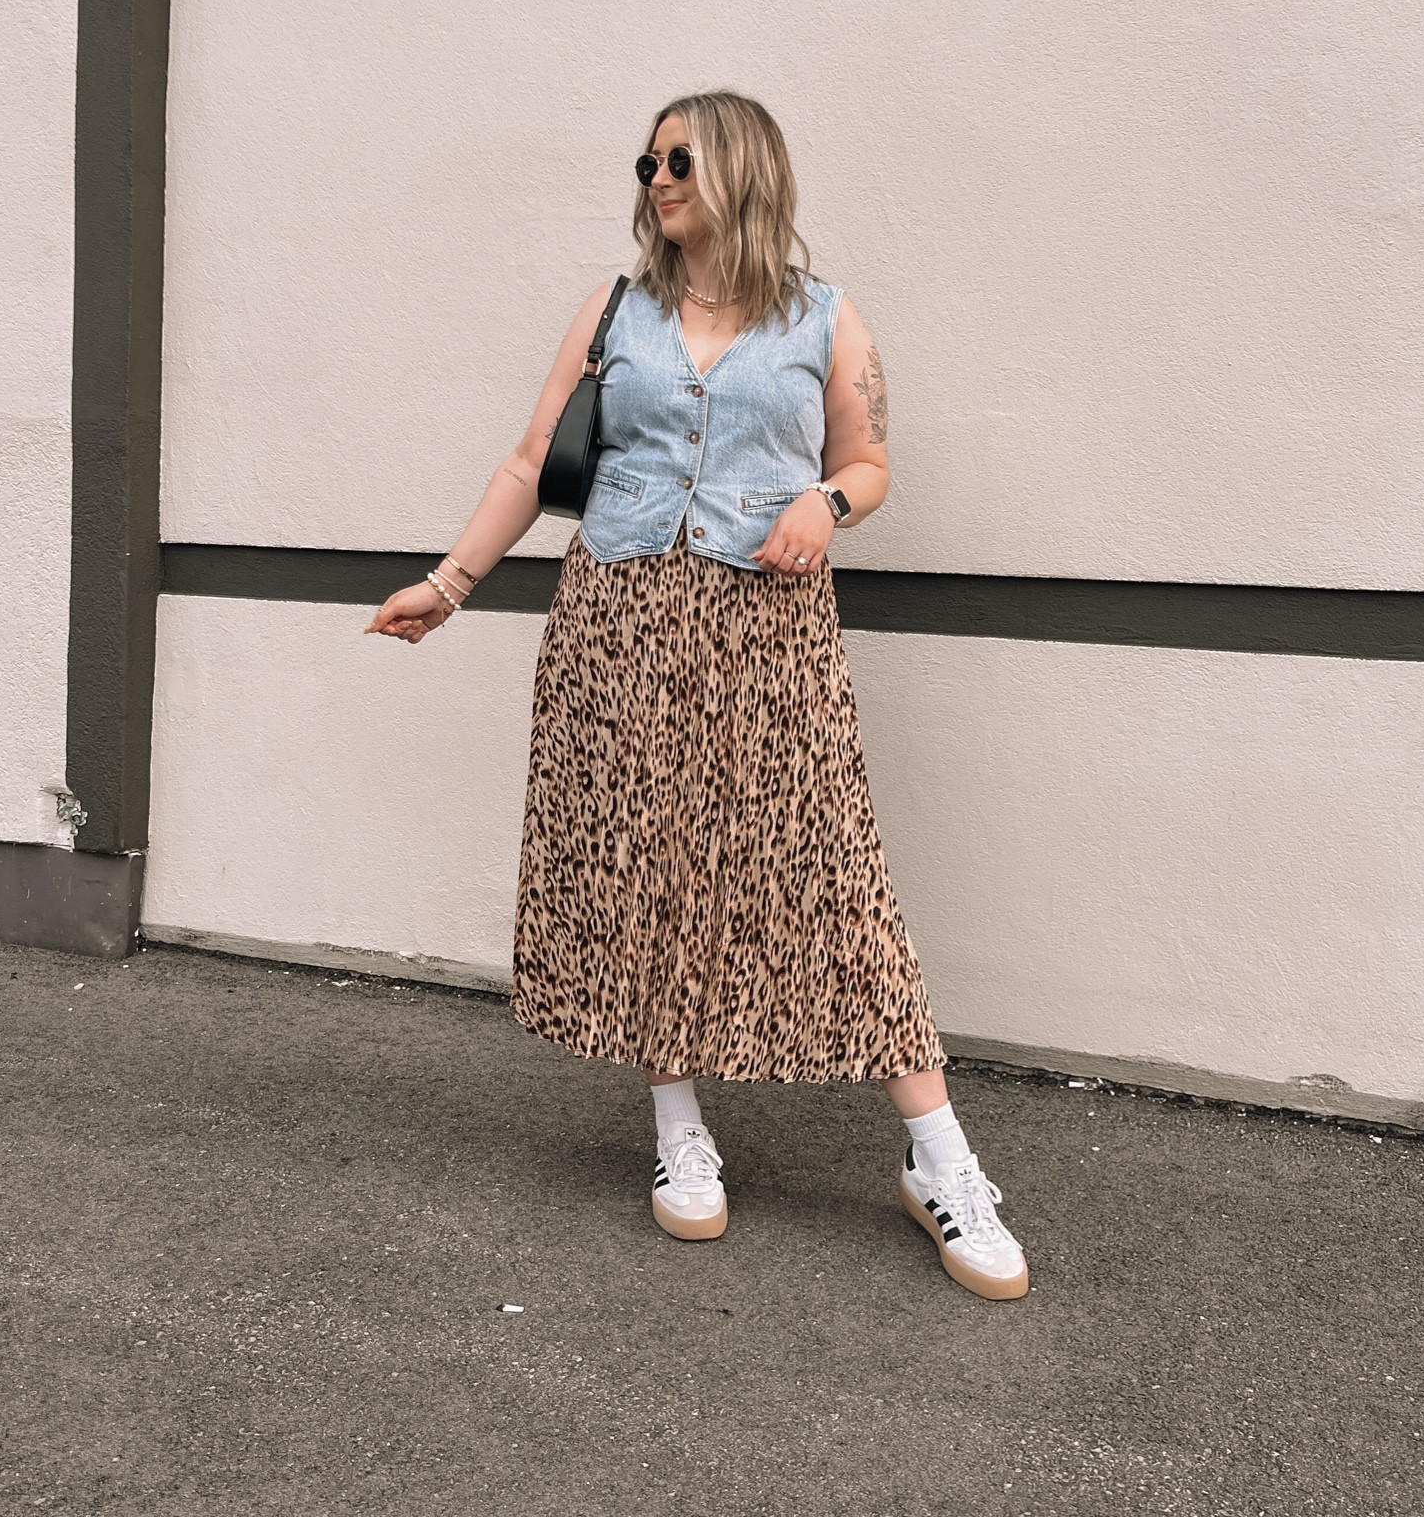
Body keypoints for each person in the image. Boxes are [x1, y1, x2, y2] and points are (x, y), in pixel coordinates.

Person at [366, 90, 1028, 1300]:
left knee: (832, 872)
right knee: (645, 867)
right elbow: (532, 461)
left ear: (740, 167)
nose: (657, 176)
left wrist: (822, 504)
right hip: (616, 620)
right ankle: (677, 1124)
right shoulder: (615, 311)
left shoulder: (826, 320)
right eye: (648, 159)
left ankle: (942, 1161)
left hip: (767, 628)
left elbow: (870, 462)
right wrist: (448, 582)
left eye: (679, 157)